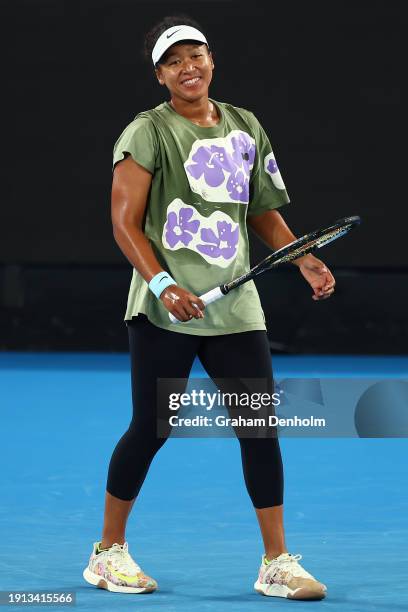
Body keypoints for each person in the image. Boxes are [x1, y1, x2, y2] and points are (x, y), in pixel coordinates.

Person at [82, 15, 335, 600]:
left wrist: (303, 257)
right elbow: (123, 222)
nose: (187, 67)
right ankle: (107, 552)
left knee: (259, 428)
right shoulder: (147, 131)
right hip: (165, 307)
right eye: (174, 61)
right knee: (152, 426)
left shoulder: (246, 126)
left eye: (195, 55)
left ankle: (276, 562)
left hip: (236, 307)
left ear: (211, 60)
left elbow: (262, 211)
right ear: (160, 76)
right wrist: (165, 283)